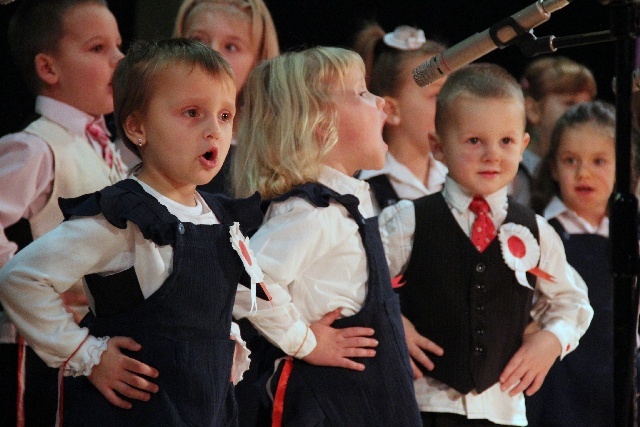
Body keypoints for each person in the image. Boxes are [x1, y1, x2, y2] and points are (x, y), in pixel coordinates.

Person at [0, 38, 268, 426]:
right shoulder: (122, 216)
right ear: (138, 126)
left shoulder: (218, 218)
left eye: (225, 116)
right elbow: (20, 278)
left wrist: (303, 340)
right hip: (135, 412)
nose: (214, 130)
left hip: (205, 407)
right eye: (192, 112)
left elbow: (245, 298)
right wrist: (82, 353)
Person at [380, 63, 593, 426]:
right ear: (439, 146)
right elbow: (359, 282)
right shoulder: (408, 221)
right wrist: (392, 322)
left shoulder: (536, 231)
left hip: (503, 410)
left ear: (524, 143)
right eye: (474, 141)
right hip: (424, 405)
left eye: (506, 141)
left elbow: (572, 300)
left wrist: (551, 340)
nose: (492, 154)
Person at [232, 46, 422, 426]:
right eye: (361, 93)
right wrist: (306, 341)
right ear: (320, 122)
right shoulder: (314, 212)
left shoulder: (346, 206)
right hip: (326, 407)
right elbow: (244, 281)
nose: (381, 102)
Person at [0, 0, 126, 424]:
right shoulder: (36, 145)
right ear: (49, 68)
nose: (119, 59)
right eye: (97, 48)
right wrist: (21, 273)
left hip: (84, 339)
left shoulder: (106, 146)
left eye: (118, 45)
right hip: (37, 343)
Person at [526, 101, 616, 426]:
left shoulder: (629, 237)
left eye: (599, 161)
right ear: (552, 167)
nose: (584, 173)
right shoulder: (536, 234)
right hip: (557, 392)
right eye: (570, 160)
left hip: (618, 391)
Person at [174, 0, 279, 195]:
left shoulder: (276, 154)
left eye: (230, 47)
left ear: (258, 63)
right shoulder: (153, 140)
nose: (211, 55)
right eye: (198, 42)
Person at [354, 23, 448, 213]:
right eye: (438, 95)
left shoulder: (456, 177)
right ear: (390, 110)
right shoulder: (361, 188)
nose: (452, 104)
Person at [510, 56, 596, 206]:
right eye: (570, 103)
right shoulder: (511, 172)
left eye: (587, 106)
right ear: (533, 110)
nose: (584, 115)